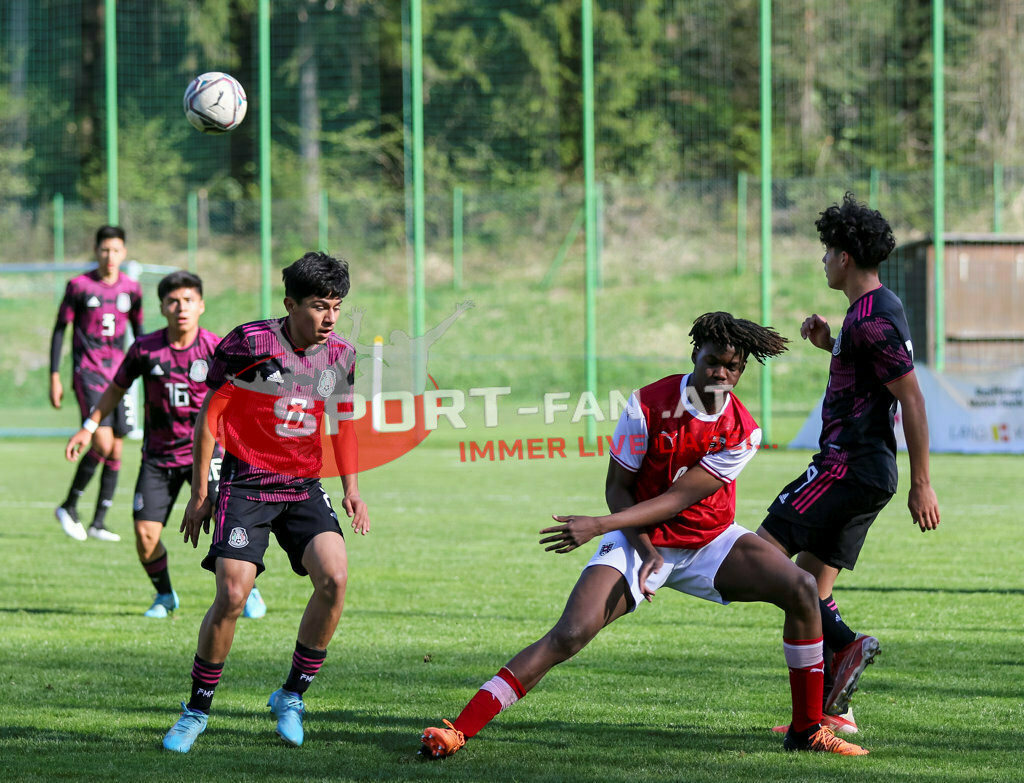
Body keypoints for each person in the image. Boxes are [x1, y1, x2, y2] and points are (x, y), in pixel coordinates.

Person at [420, 312, 869, 759]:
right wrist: (644, 549)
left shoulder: (743, 432)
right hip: (638, 536)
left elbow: (677, 499)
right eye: (713, 361)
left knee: (802, 587)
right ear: (695, 354)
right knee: (570, 634)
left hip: (709, 542)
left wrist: (596, 525)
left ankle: (807, 730)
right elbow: (619, 488)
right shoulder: (646, 405)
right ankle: (458, 729)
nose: (721, 374)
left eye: (733, 367)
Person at [162, 251, 370, 753]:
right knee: (232, 596)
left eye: (337, 307)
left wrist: (352, 489)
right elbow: (210, 416)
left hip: (301, 486)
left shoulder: (341, 354)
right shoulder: (249, 343)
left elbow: (342, 423)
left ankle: (291, 696)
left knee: (335, 578)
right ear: (290, 304)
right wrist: (201, 493)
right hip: (246, 484)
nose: (330, 318)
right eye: (320, 306)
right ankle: (196, 711)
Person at [757, 193, 941, 736]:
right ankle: (831, 712)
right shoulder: (871, 312)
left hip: (847, 466)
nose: (822, 260)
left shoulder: (871, 322)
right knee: (811, 592)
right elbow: (873, 378)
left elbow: (911, 397)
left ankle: (848, 646)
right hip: (864, 470)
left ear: (843, 257)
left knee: (757, 556)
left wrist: (923, 485)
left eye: (826, 251)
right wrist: (830, 345)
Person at [64, 270, 266, 620]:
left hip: (208, 455)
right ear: (162, 307)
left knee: (229, 525)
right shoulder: (145, 348)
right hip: (158, 458)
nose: (181, 308)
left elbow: (249, 393)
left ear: (201, 305)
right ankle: (165, 595)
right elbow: (116, 388)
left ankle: (247, 588)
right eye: (173, 301)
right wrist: (90, 424)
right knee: (144, 536)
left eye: (188, 300)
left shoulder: (217, 349)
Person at [51, 225, 143, 542]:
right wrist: (54, 376)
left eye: (116, 250)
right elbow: (59, 330)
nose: (110, 256)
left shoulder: (131, 289)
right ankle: (69, 505)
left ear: (124, 253)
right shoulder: (78, 286)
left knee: (116, 448)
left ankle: (99, 522)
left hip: (119, 376)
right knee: (101, 443)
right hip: (88, 373)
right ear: (96, 250)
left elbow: (141, 336)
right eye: (104, 249)